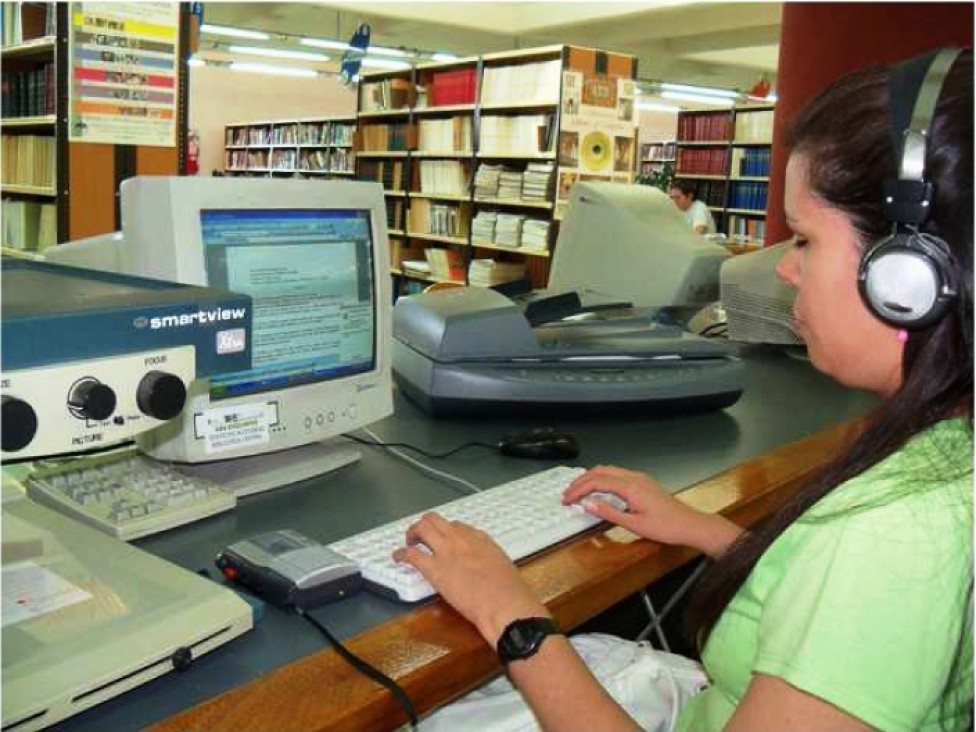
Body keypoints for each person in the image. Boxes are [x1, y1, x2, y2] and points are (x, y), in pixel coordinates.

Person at [394, 48, 973, 732]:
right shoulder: (948, 449)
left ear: (905, 279)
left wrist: (512, 614)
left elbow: (866, 577)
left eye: (807, 242)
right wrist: (708, 533)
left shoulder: (892, 533)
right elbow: (847, 625)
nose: (785, 270)